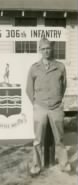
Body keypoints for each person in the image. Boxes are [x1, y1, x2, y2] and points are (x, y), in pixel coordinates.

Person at [26, 38, 71, 176]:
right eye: (43, 49)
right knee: (38, 139)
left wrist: (57, 99)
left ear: (52, 49)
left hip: (56, 108)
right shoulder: (34, 68)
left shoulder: (60, 67)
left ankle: (64, 165)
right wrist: (36, 103)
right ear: (40, 50)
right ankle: (36, 166)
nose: (46, 51)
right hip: (40, 107)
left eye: (48, 48)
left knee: (60, 139)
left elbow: (63, 86)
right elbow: (29, 88)